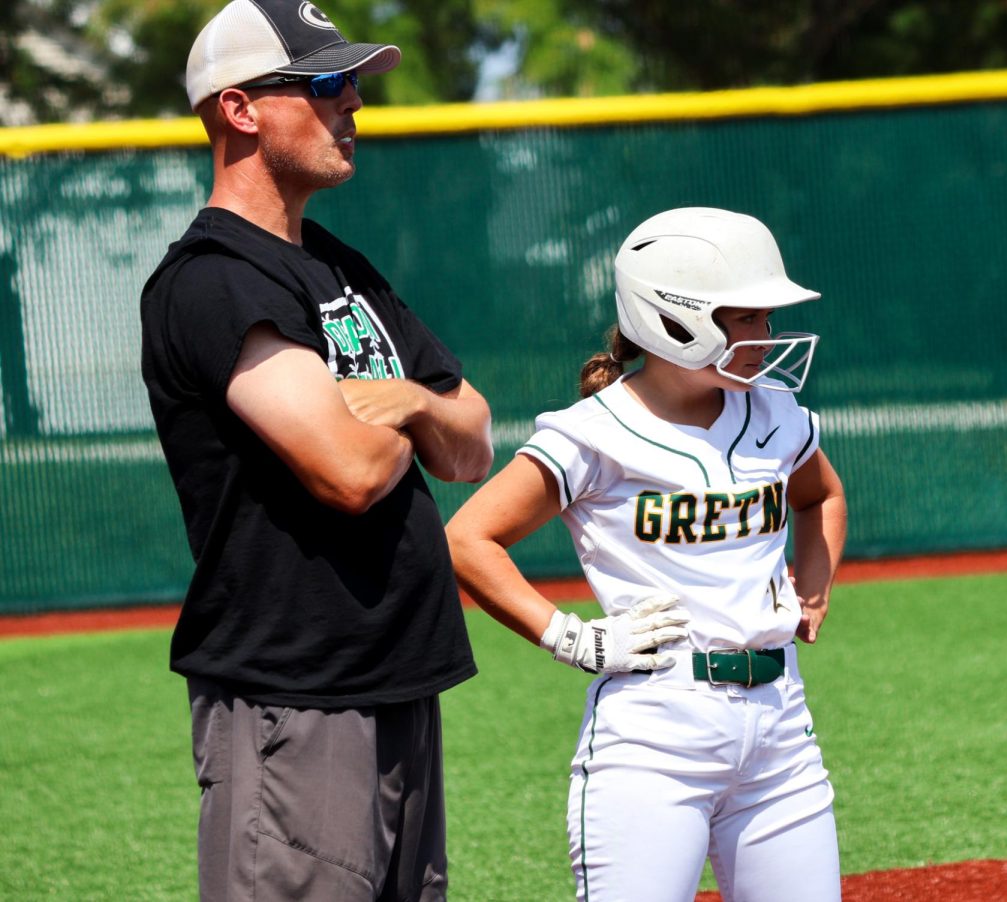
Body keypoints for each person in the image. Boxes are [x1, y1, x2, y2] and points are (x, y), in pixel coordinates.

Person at [139, 2, 493, 899]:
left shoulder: (340, 267)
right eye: (326, 84)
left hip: (398, 677)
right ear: (240, 109)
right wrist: (413, 418)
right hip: (294, 697)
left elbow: (472, 444)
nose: (354, 106)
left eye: (355, 86)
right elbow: (350, 472)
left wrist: (406, 399)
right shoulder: (213, 280)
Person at [447, 207, 848, 902]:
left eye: (764, 317)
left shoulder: (776, 412)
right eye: (744, 316)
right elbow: (466, 539)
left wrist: (812, 590)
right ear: (675, 317)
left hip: (781, 728)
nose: (765, 335)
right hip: (655, 734)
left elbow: (823, 496)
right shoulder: (595, 432)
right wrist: (569, 637)